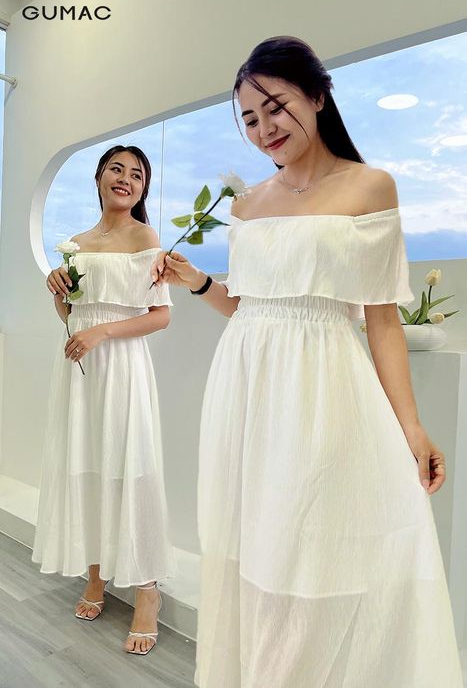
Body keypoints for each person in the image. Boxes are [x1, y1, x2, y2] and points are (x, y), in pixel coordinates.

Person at [152, 36, 463, 686]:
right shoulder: (245, 205)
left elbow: (380, 318)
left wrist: (410, 426)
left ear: (318, 96)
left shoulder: (369, 186)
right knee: (259, 554)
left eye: (274, 107)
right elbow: (250, 306)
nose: (263, 128)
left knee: (321, 551)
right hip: (246, 387)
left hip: (325, 386)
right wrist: (198, 282)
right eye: (249, 118)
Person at [32, 145, 177, 656]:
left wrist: (103, 332)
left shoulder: (146, 239)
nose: (126, 179)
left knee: (131, 467)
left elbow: (160, 316)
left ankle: (147, 590)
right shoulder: (76, 244)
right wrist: (58, 292)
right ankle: (95, 574)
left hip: (123, 368)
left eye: (137, 174)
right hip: (80, 371)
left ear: (143, 189)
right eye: (117, 169)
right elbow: (72, 315)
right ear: (98, 177)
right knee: (87, 465)